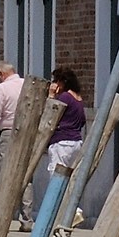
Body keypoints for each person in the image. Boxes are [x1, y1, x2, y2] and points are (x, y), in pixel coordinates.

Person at [28, 66, 87, 215]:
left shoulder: (65, 97)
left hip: (61, 142)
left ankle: (70, 211)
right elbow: (83, 121)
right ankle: (69, 209)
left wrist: (51, 95)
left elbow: (50, 112)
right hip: (76, 142)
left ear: (63, 82)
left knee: (56, 176)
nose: (54, 84)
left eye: (56, 81)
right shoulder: (77, 98)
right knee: (68, 178)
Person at [0, 59, 28, 221]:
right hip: (28, 132)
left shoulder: (1, 89)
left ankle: (2, 216)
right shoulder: (26, 84)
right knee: (25, 174)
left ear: (2, 74)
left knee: (5, 173)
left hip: (8, 132)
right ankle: (27, 217)